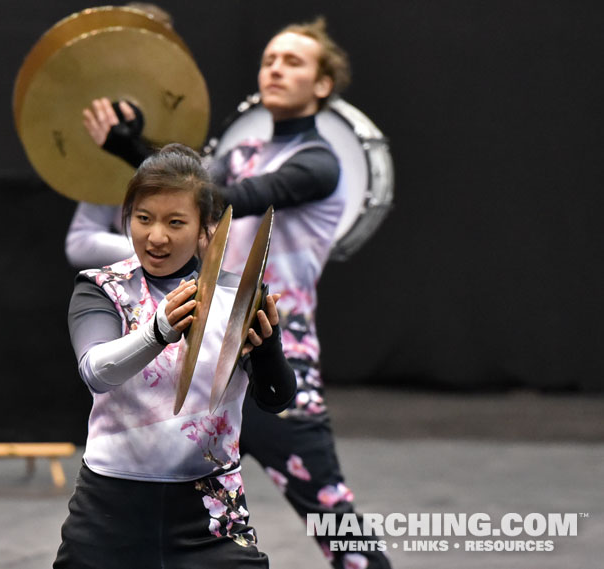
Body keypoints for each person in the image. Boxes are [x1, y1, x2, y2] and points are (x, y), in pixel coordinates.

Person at [68, 16, 393, 569]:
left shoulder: (318, 162)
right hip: (193, 353)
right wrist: (136, 147)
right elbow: (185, 192)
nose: (275, 68)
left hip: (263, 351)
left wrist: (132, 150)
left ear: (323, 85)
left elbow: (218, 196)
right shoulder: (240, 154)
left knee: (335, 523)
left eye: (293, 62)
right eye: (269, 59)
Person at [55, 144, 297, 569]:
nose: (156, 236)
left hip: (211, 509)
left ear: (207, 230)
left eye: (175, 222)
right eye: (143, 218)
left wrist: (269, 346)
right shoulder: (103, 287)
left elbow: (276, 398)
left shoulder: (237, 297)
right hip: (110, 510)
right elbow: (97, 372)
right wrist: (157, 331)